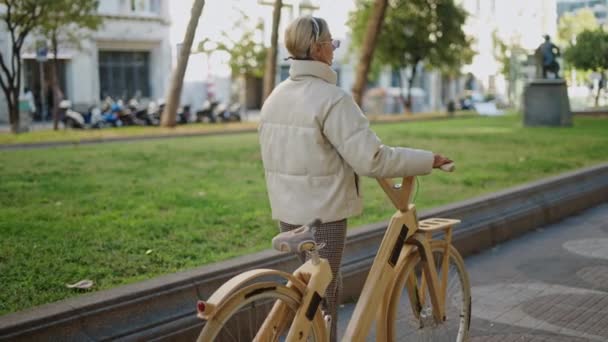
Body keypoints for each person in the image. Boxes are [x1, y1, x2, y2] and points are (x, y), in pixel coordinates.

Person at [258, 15, 453, 341]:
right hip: (323, 215)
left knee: (308, 297)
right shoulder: (331, 98)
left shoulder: (276, 96)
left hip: (287, 214)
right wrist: (427, 160)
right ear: (318, 49)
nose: (334, 50)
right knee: (325, 300)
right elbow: (372, 158)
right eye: (332, 43)